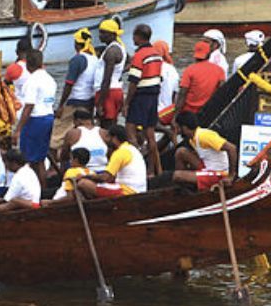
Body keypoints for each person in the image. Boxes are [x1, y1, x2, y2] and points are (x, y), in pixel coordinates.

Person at [122, 23, 163, 175]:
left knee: (130, 130)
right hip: (154, 95)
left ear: (138, 37)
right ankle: (153, 170)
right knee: (150, 134)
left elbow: (134, 81)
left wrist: (126, 103)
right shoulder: (156, 54)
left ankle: (136, 169)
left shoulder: (139, 55)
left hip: (141, 96)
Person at [14, 49, 56, 185]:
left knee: (29, 160)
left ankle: (34, 190)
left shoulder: (32, 81)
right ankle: (42, 189)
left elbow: (29, 107)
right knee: (40, 159)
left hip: (35, 120)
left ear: (28, 64)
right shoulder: (50, 79)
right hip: (48, 117)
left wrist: (18, 129)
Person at [54, 29, 100, 149]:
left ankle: (55, 165)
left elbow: (69, 84)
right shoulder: (95, 59)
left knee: (56, 135)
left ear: (76, 44)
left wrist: (60, 105)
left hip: (76, 102)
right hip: (89, 102)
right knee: (83, 133)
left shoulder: (77, 59)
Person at [75, 123, 147, 198]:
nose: (106, 141)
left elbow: (105, 178)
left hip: (127, 191)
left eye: (108, 137)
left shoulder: (120, 152)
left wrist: (86, 177)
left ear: (115, 138)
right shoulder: (131, 148)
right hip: (138, 189)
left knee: (83, 183)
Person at [172, 111, 237, 192]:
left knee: (177, 176)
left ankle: (191, 191)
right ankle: (186, 188)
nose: (176, 132)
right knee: (181, 152)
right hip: (207, 166)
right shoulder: (192, 139)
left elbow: (232, 148)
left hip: (218, 173)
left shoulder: (204, 136)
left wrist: (230, 176)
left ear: (184, 128)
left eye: (178, 128)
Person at [175, 40, 226, 117]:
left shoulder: (189, 70)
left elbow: (182, 94)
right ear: (209, 54)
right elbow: (222, 92)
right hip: (208, 111)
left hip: (188, 111)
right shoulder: (220, 70)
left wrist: (175, 116)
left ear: (195, 54)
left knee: (158, 117)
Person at [58, 108, 109, 175]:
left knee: (62, 157)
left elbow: (64, 155)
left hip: (81, 172)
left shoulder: (72, 133)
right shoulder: (104, 132)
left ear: (77, 121)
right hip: (102, 170)